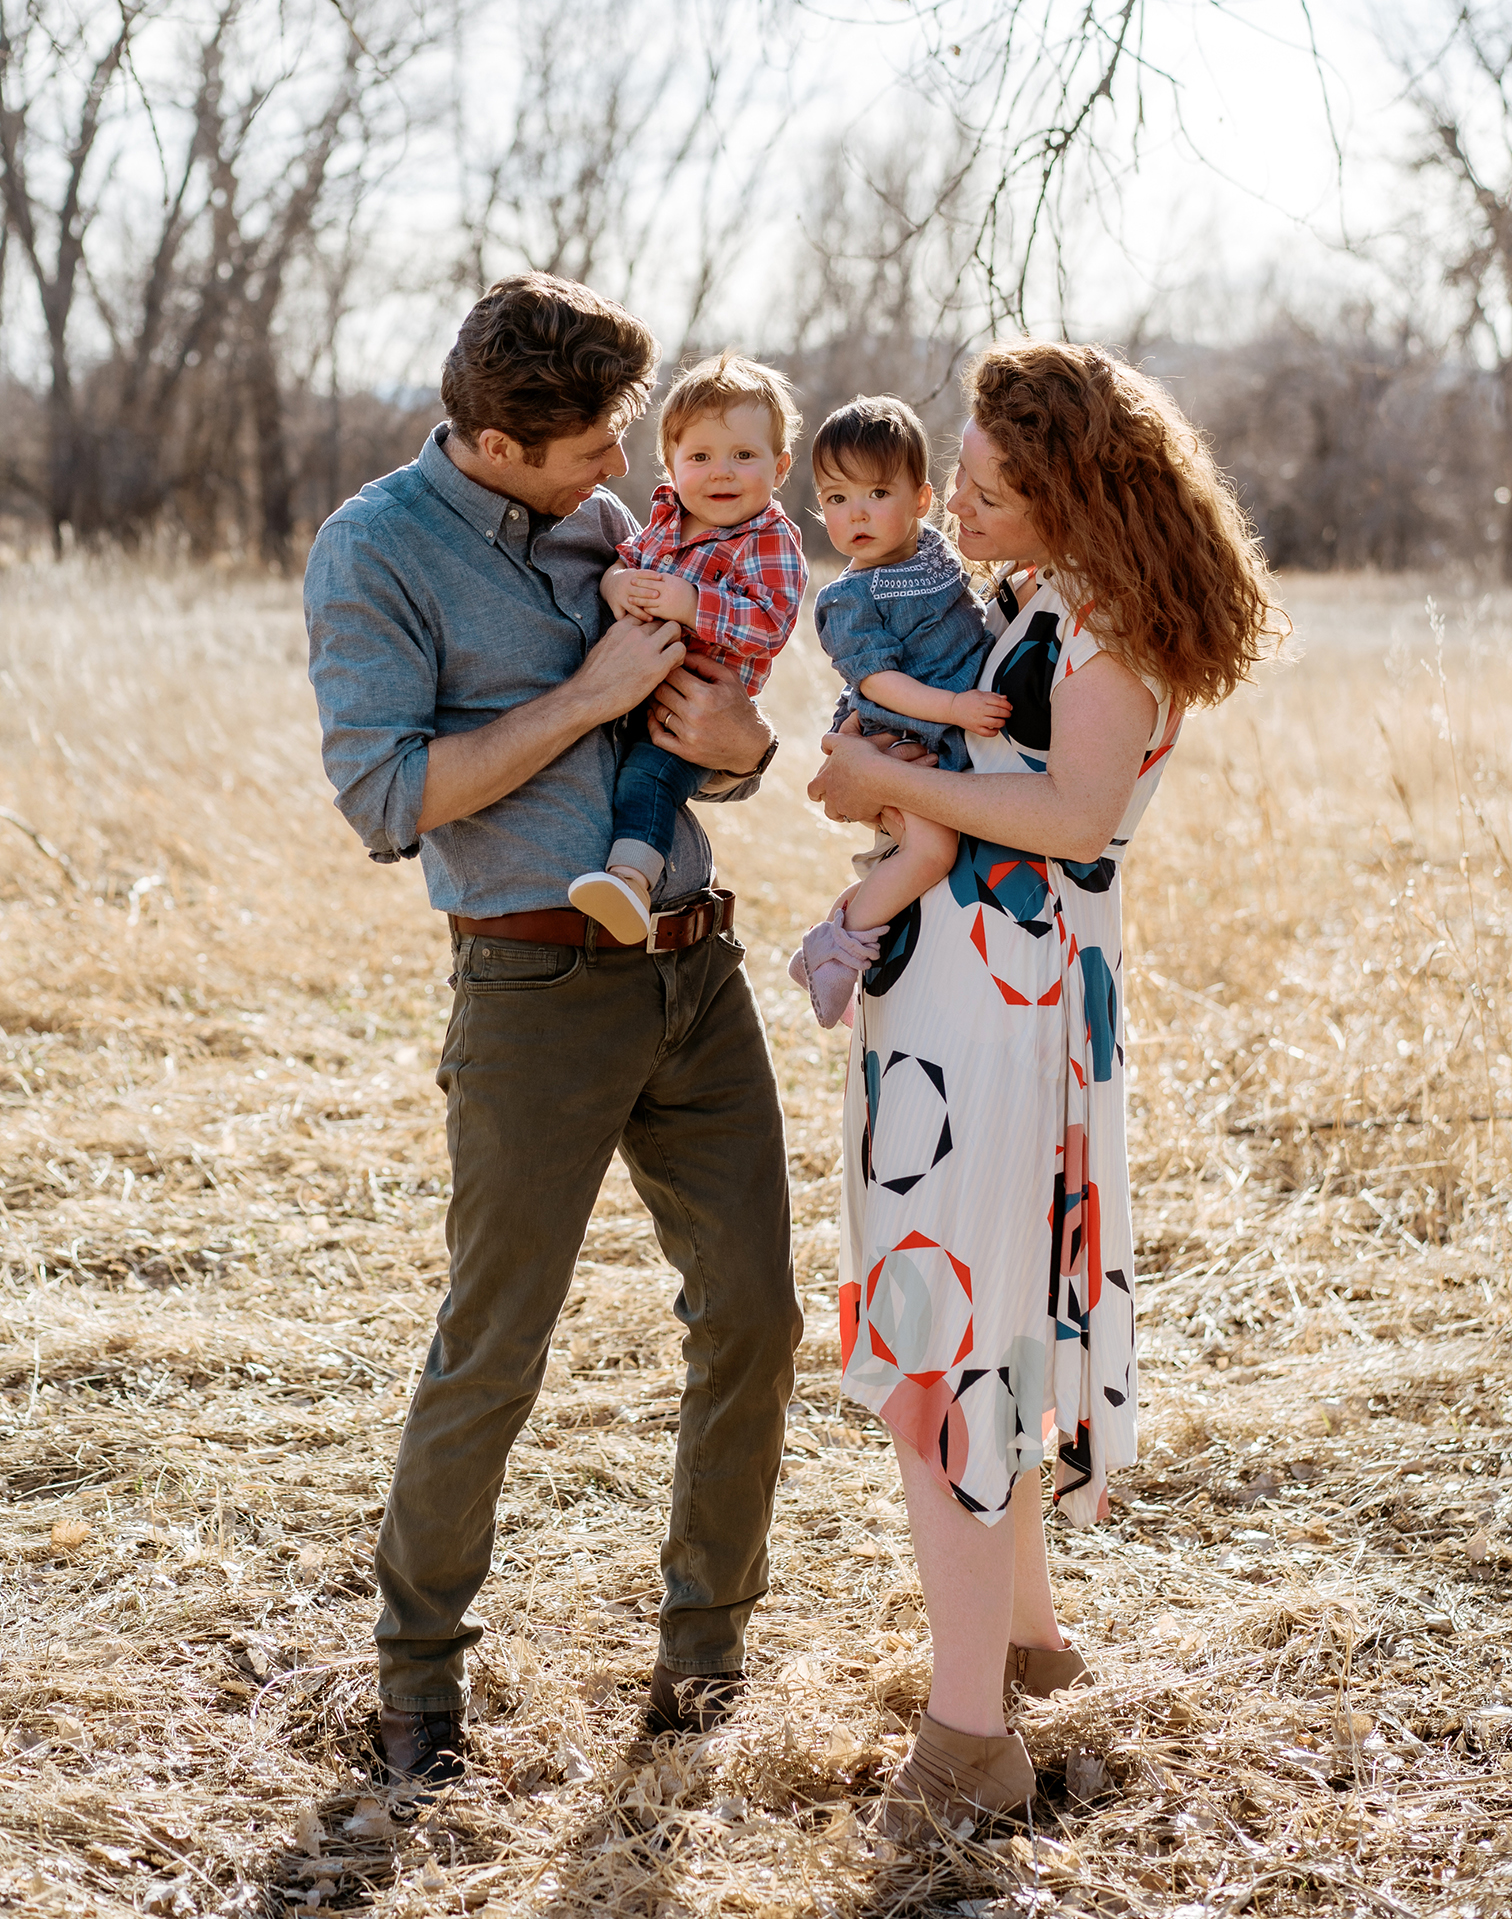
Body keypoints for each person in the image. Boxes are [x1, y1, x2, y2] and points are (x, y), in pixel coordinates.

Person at [304, 272, 804, 1785]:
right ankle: (416, 1682)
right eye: (597, 443)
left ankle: (704, 1659)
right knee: (496, 1343)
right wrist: (590, 694)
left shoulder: (625, 526)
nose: (627, 466)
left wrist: (744, 752)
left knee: (759, 1315)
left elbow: (710, 733)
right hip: (531, 989)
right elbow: (386, 796)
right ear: (503, 438)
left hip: (695, 972)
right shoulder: (372, 551)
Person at [807, 341, 1274, 1827]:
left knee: (950, 1355)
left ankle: (965, 1745)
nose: (964, 506)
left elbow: (1073, 815)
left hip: (1004, 1028)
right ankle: (1026, 1648)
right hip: (968, 1005)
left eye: (998, 489)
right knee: (980, 1335)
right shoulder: (1039, 602)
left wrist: (880, 789)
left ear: (1076, 490)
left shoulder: (1108, 621)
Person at [569, 353, 806, 944]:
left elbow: (770, 624)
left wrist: (691, 603)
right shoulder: (665, 523)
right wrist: (615, 583)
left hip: (690, 711)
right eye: (699, 456)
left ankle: (631, 881)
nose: (720, 472)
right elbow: (625, 565)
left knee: (648, 779)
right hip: (633, 695)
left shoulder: (767, 538)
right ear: (671, 466)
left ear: (779, 467)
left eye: (743, 456)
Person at [791, 396, 1007, 1027]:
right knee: (931, 852)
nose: (854, 514)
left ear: (921, 498)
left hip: (949, 729)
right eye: (835, 498)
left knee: (919, 858)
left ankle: (850, 931)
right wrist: (955, 706)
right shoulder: (848, 597)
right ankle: (834, 952)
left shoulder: (937, 551)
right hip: (901, 730)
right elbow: (879, 681)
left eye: (876, 493)